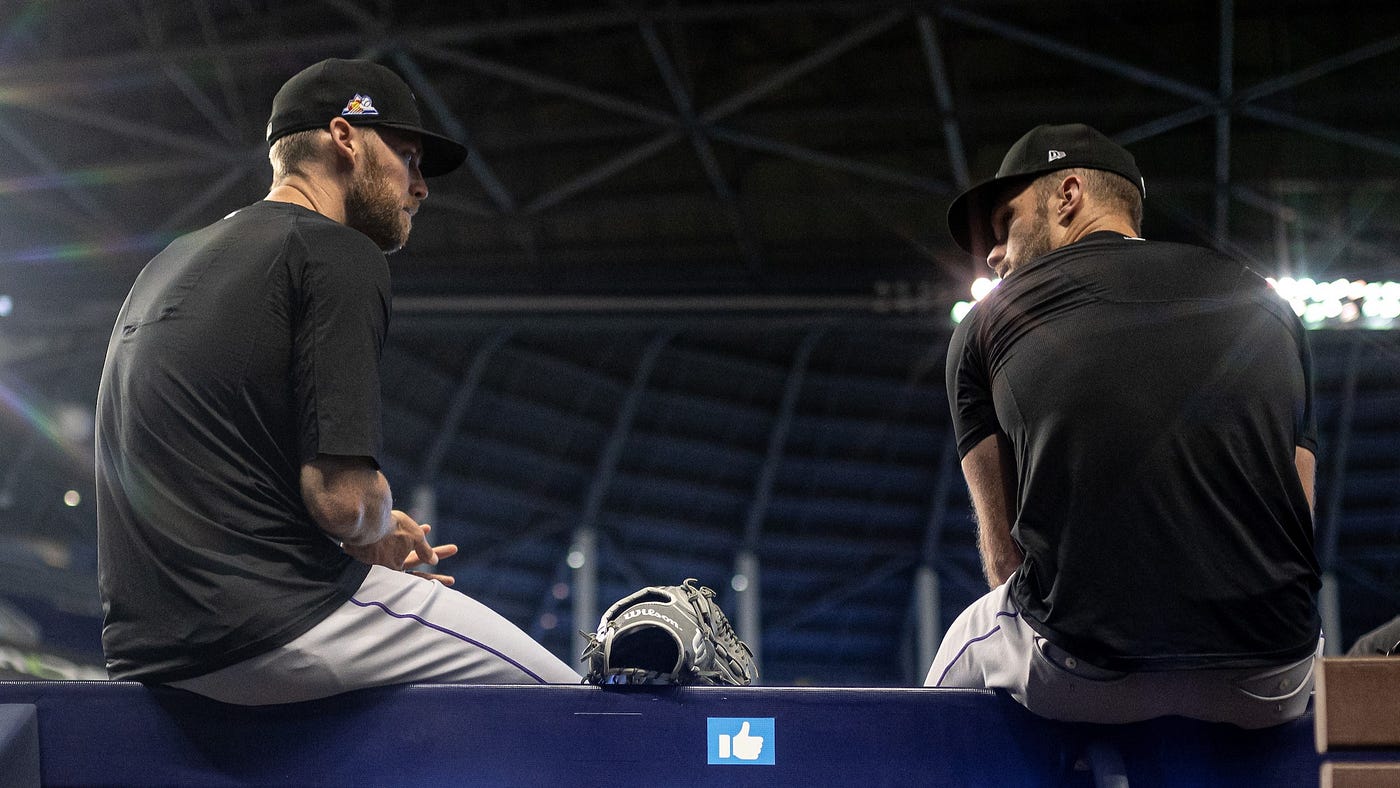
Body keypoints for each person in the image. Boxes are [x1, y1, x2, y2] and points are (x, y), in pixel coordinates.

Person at [96, 58, 580, 704]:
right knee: (577, 703)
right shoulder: (337, 250)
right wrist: (374, 526)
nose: (421, 186)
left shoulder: (164, 264)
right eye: (407, 156)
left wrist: (368, 530)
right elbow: (341, 500)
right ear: (346, 138)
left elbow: (220, 472)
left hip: (146, 652)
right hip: (271, 624)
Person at [926, 123, 1322, 729]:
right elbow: (1298, 513)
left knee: (945, 676)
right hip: (1274, 677)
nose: (994, 253)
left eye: (1006, 221)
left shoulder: (985, 325)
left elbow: (1006, 557)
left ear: (1068, 195)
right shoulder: (1271, 306)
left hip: (1084, 673)